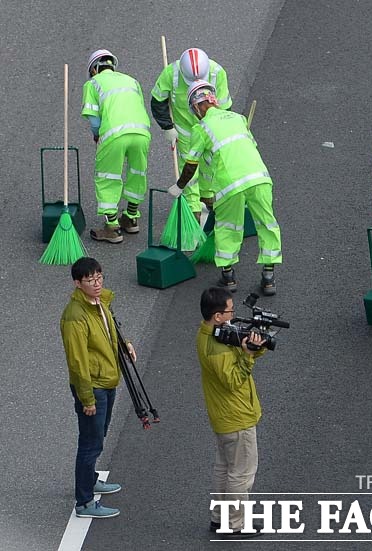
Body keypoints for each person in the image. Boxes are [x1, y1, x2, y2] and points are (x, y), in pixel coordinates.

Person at [170, 80, 282, 295]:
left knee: (228, 227)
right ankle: (269, 278)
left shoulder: (201, 129)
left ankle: (229, 277)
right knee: (267, 224)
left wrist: (179, 186)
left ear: (197, 106)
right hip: (260, 178)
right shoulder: (239, 119)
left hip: (231, 184)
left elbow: (192, 164)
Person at [60, 257, 136, 518]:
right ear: (77, 283)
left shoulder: (101, 302)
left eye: (99, 277)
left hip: (106, 381)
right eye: (90, 280)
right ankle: (84, 502)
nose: (96, 283)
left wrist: (124, 344)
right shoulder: (74, 316)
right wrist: (87, 398)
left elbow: (108, 332)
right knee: (90, 443)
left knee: (97, 436)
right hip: (93, 387)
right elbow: (78, 361)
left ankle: (90, 480)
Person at [197, 286, 267, 539]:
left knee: (224, 468)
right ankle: (235, 524)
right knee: (242, 473)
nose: (233, 315)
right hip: (237, 416)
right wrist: (248, 356)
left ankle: (219, 518)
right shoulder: (217, 348)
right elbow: (234, 380)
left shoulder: (209, 335)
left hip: (223, 416)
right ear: (217, 316)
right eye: (230, 311)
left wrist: (249, 350)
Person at [151, 47, 232, 221]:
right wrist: (168, 127)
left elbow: (225, 107)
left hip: (209, 128)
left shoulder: (217, 73)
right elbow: (157, 101)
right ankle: (193, 211)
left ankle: (208, 197)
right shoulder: (171, 73)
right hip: (185, 132)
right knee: (189, 172)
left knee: (209, 167)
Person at [81, 49, 152, 243]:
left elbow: (95, 121)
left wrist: (97, 136)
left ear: (94, 69)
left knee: (107, 176)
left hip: (114, 134)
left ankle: (112, 226)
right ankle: (131, 217)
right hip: (141, 132)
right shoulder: (132, 80)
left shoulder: (93, 84)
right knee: (137, 173)